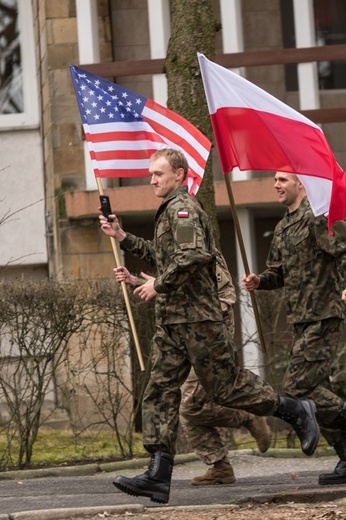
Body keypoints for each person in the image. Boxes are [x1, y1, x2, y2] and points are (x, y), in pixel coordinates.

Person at [99, 148, 319, 505]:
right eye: (151, 174)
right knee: (159, 390)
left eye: (158, 173)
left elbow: (193, 256)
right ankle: (158, 473)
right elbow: (166, 255)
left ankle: (293, 408)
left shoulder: (183, 208)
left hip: (198, 320)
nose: (152, 179)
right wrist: (123, 236)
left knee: (227, 388)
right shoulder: (170, 210)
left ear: (180, 175)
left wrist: (158, 284)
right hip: (174, 322)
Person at [114, 252, 271, 487]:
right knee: (190, 409)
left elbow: (220, 297)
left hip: (207, 340)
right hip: (190, 337)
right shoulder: (185, 248)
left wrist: (208, 334)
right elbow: (181, 288)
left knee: (191, 406)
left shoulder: (202, 250)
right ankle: (220, 466)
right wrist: (136, 281)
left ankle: (247, 416)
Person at [242, 171, 346, 487]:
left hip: (325, 315)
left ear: (300, 184)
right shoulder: (282, 227)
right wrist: (260, 281)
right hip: (300, 320)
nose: (276, 184)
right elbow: (279, 272)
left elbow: (342, 249)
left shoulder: (317, 216)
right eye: (274, 179)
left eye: (283, 179)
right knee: (314, 390)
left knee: (297, 387)